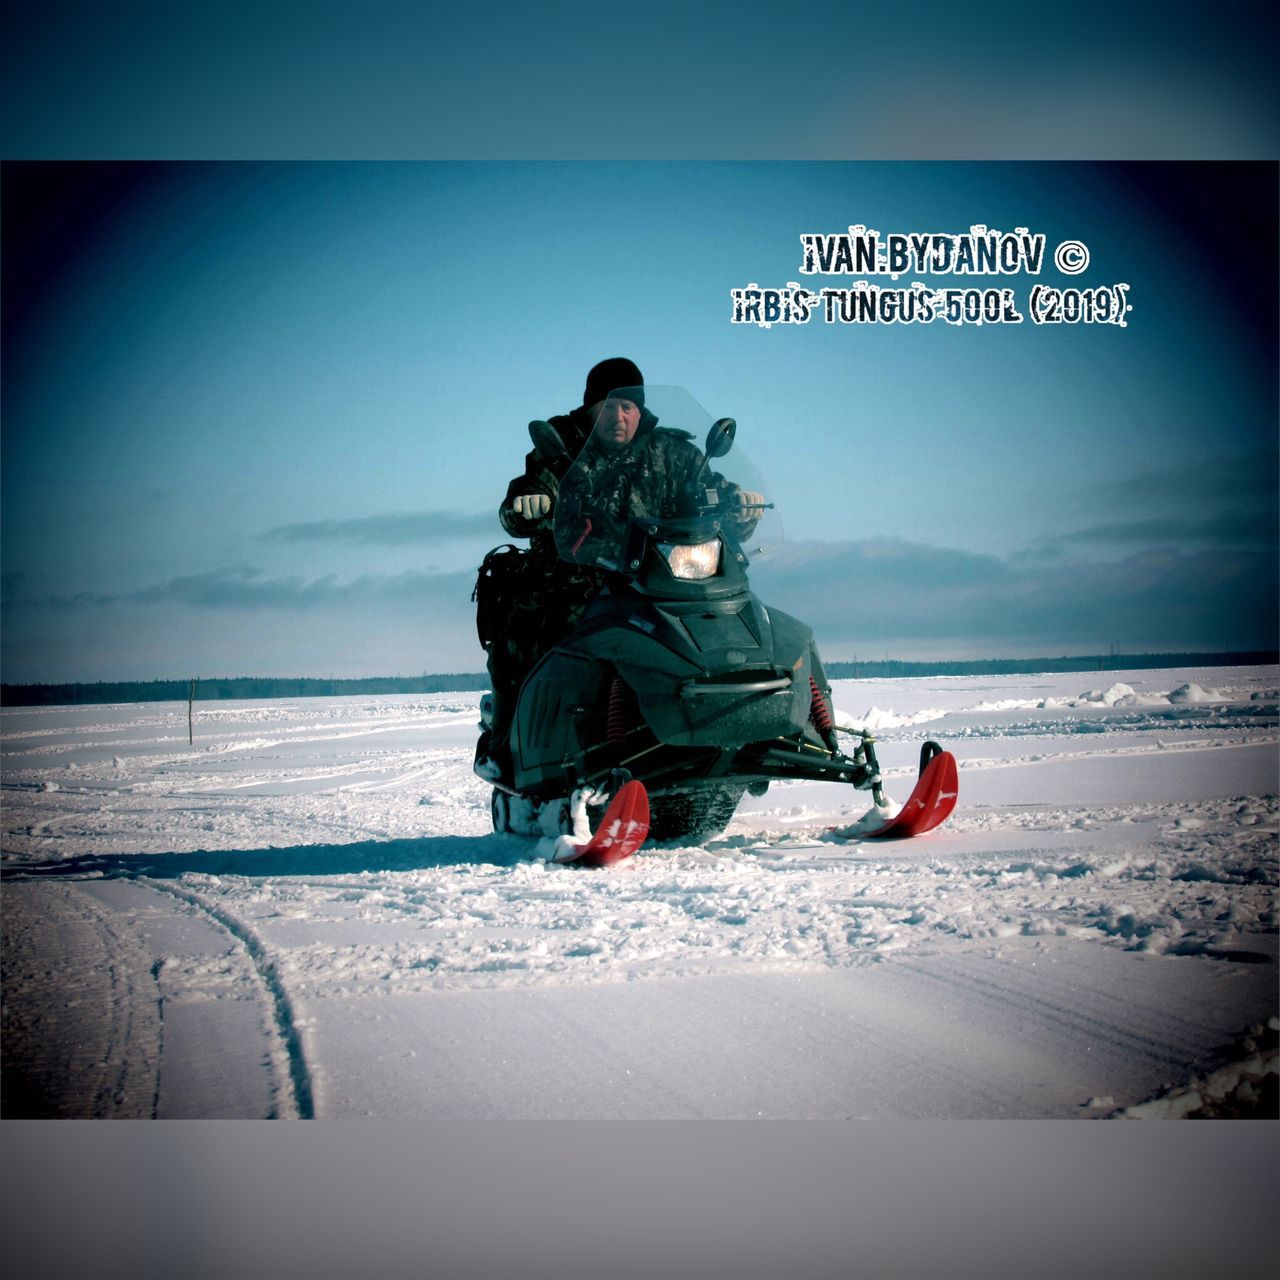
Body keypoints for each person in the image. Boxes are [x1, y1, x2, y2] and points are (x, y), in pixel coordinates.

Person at [473, 357, 761, 780]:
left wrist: (741, 504)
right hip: (576, 576)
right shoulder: (563, 447)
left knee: (723, 619)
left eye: (628, 407)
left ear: (641, 410)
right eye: (609, 407)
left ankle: (738, 726)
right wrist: (528, 503)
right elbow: (524, 499)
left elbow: (709, 491)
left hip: (658, 577)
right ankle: (504, 745)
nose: (619, 417)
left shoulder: (671, 451)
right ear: (591, 409)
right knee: (527, 628)